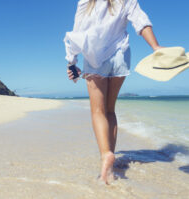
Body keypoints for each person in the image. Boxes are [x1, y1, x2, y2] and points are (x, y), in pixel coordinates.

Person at [64, 0, 163, 184]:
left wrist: (71, 62)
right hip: (120, 56)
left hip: (94, 58)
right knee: (110, 110)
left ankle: (106, 156)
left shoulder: (86, 2)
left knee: (98, 111)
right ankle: (111, 156)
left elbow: (77, 31)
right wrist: (156, 47)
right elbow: (141, 21)